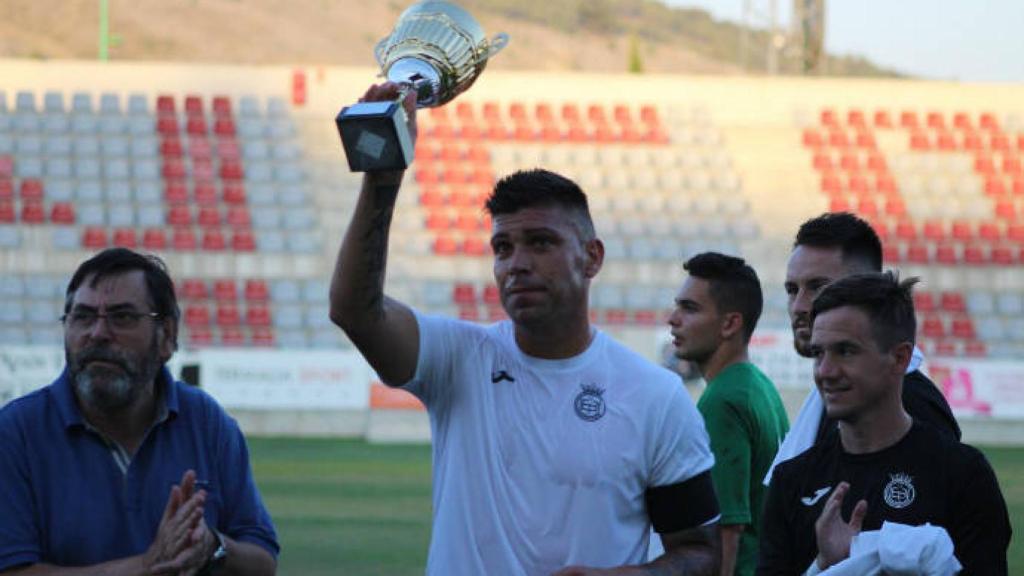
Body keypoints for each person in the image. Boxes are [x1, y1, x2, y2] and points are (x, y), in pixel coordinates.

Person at [330, 83, 721, 575]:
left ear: (592, 257)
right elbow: (355, 311)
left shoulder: (655, 397)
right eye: (503, 248)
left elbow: (700, 553)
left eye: (540, 243)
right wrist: (382, 179)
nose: (516, 264)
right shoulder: (458, 359)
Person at [0, 248, 278, 575]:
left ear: (167, 336)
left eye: (122, 317)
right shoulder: (16, 432)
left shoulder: (206, 422)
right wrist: (145, 567)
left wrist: (212, 547)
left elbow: (263, 561)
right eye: (83, 316)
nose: (98, 333)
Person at [757, 272, 1011, 575]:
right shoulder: (792, 481)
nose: (825, 371)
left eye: (845, 351)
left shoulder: (962, 475)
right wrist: (825, 566)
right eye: (818, 353)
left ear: (900, 358)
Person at [765, 212, 959, 484]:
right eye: (792, 290)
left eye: (817, 287)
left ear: (869, 287)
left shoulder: (909, 404)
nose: (799, 306)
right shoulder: (837, 393)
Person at [668, 253, 789, 576]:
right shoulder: (759, 385)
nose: (673, 319)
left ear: (730, 324)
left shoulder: (722, 401)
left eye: (689, 308)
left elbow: (727, 530)